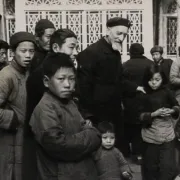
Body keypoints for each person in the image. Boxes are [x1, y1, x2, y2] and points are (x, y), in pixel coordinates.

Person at [77, 17, 145, 152]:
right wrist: (87, 115)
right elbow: (83, 87)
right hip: (98, 114)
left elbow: (117, 79)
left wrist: (136, 87)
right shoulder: (92, 52)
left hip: (114, 110)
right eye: (118, 33)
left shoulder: (114, 51)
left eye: (125, 35)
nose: (121, 38)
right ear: (108, 30)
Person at [29, 53, 101, 180]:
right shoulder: (45, 108)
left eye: (71, 78)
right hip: (60, 175)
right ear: (46, 81)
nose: (67, 84)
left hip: (81, 172)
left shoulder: (70, 102)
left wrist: (88, 132)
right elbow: (59, 145)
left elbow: (83, 126)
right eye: (61, 79)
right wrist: (92, 135)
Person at [23, 28, 79, 180]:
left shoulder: (59, 72)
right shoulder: (43, 75)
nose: (75, 52)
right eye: (71, 47)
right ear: (55, 48)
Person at [0, 31, 36, 180]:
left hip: (26, 136)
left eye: (31, 51)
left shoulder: (29, 73)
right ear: (13, 52)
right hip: (9, 137)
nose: (28, 55)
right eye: (23, 51)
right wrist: (12, 118)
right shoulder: (6, 75)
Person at [139, 64, 179, 180]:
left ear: (162, 79)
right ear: (146, 80)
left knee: (167, 166)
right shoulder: (143, 93)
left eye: (157, 80)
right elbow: (139, 116)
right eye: (150, 80)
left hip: (167, 134)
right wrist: (153, 114)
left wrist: (172, 111)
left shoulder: (167, 92)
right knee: (151, 167)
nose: (154, 83)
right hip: (150, 135)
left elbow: (176, 106)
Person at [122, 43, 153, 159]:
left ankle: (135, 153)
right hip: (147, 99)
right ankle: (144, 153)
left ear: (130, 52)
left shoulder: (125, 65)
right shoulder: (150, 64)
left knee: (132, 127)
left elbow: (121, 83)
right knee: (145, 124)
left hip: (130, 101)